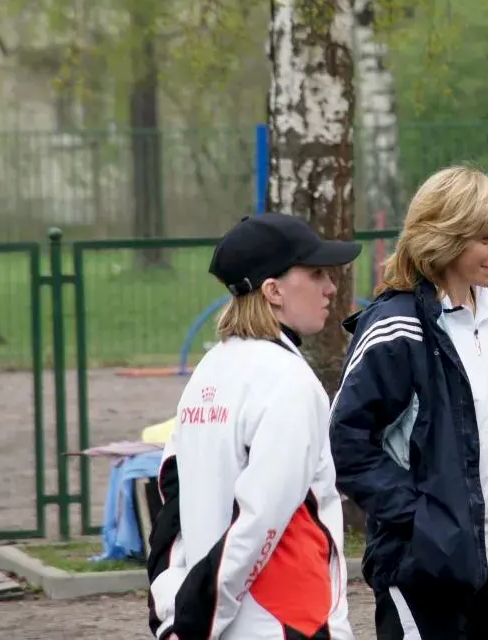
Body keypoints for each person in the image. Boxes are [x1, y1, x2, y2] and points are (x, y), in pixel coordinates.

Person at [328, 165, 488, 640]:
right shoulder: (396, 327)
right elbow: (346, 441)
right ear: (444, 238)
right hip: (426, 575)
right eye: (485, 238)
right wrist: (424, 522)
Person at [146, 212, 359, 640]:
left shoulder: (207, 371)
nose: (331, 288)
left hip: (220, 620)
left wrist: (175, 616)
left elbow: (170, 512)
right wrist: (197, 622)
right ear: (273, 291)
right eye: (316, 274)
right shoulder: (289, 381)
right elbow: (260, 520)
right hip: (288, 623)